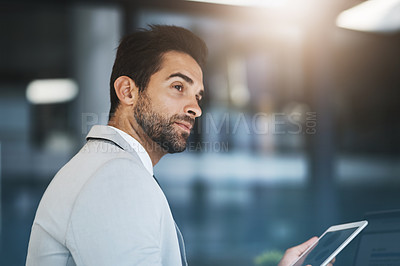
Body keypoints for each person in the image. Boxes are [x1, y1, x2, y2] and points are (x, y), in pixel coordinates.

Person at [26, 25, 329, 266]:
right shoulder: (115, 179)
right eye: (178, 87)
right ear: (127, 91)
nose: (195, 108)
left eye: (197, 95)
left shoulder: (107, 169)